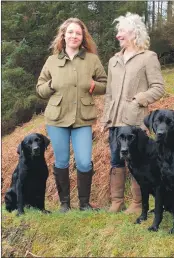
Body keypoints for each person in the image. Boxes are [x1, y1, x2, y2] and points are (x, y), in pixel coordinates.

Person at [36, 18, 107, 212]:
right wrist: (51, 85)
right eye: (70, 32)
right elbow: (40, 89)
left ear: (83, 37)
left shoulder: (92, 60)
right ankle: (64, 204)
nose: (74, 36)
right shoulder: (52, 61)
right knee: (61, 161)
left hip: (82, 118)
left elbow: (105, 83)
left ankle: (84, 204)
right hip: (56, 118)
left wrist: (95, 86)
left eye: (78, 33)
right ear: (63, 36)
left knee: (84, 161)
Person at [101, 13, 165, 214]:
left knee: (139, 161)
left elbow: (158, 87)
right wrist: (105, 118)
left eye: (122, 31)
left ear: (134, 32)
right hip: (115, 120)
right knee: (115, 160)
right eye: (118, 31)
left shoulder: (148, 57)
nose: (118, 35)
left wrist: (139, 100)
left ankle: (138, 204)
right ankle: (117, 202)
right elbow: (110, 93)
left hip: (136, 120)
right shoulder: (113, 60)